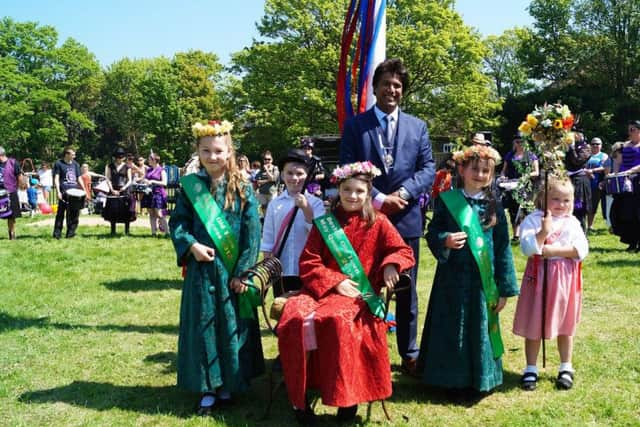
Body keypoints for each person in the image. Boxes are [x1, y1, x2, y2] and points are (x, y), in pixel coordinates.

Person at [277, 161, 415, 424]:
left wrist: (390, 265)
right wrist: (335, 281)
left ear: (368, 193)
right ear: (338, 191)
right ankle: (300, 401)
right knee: (294, 318)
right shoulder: (325, 224)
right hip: (320, 290)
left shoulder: (380, 223)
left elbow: (402, 250)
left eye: (359, 191)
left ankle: (347, 400)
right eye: (347, 190)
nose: (353, 196)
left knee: (339, 322)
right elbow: (309, 262)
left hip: (359, 296)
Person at [340, 58, 435, 375]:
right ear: (375, 88)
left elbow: (428, 169)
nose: (391, 90)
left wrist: (404, 195)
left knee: (405, 288)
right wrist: (379, 198)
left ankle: (410, 353)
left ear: (402, 91)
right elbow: (349, 167)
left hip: (406, 219)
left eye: (397, 85)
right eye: (386, 84)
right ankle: (363, 347)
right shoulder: (355, 126)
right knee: (365, 284)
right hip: (367, 219)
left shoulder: (417, 126)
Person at [169, 119, 264, 415]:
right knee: (203, 327)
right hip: (201, 272)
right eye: (206, 151)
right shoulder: (191, 188)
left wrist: (243, 273)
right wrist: (191, 246)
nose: (213, 157)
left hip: (232, 274)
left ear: (229, 151)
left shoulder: (243, 187)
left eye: (218, 151)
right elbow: (178, 224)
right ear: (198, 152)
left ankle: (229, 383)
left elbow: (252, 236)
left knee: (231, 327)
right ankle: (207, 387)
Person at [418, 145, 518, 394]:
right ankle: (446, 378)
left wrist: (504, 288)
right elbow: (432, 232)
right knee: (450, 324)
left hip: (483, 282)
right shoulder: (447, 200)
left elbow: (503, 247)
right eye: (475, 169)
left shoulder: (495, 206)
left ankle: (480, 378)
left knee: (480, 325)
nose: (480, 175)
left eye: (486, 171)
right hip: (451, 280)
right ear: (461, 169)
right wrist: (445, 239)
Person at [513, 177, 588, 391]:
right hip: (539, 280)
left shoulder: (572, 222)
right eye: (555, 199)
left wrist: (555, 251)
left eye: (566, 200)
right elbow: (528, 248)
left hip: (564, 280)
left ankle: (566, 366)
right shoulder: (535, 220)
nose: (561, 205)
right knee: (535, 323)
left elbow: (581, 249)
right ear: (543, 199)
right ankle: (530, 368)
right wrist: (543, 232)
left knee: (565, 324)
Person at [260, 148, 324, 296]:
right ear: (282, 175)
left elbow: (319, 234)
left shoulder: (316, 203)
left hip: (307, 269)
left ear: (307, 176)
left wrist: (306, 209)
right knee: (282, 309)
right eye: (289, 173)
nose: (295, 178)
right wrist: (268, 263)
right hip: (281, 269)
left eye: (300, 174)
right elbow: (269, 236)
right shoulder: (275, 204)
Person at [499, 136, 540, 242]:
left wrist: (526, 175)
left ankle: (526, 233)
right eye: (518, 142)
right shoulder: (510, 155)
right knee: (513, 209)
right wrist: (503, 176)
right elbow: (504, 170)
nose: (520, 144)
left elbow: (536, 172)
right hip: (512, 185)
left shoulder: (531, 155)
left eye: (522, 142)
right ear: (515, 143)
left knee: (525, 210)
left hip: (526, 186)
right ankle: (516, 235)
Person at [610, 120, 640, 251]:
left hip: (637, 181)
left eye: (632, 130)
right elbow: (617, 161)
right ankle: (631, 242)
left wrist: (631, 171)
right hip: (624, 183)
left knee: (638, 213)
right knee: (626, 213)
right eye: (629, 130)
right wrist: (615, 174)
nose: (629, 132)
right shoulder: (624, 146)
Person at [103, 147, 136, 235]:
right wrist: (112, 189)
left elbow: (129, 180)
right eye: (117, 157)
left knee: (126, 210)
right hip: (113, 189)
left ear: (123, 157)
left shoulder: (127, 167)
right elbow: (108, 178)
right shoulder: (109, 166)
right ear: (115, 157)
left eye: (121, 157)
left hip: (124, 190)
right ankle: (113, 230)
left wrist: (124, 187)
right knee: (113, 210)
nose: (119, 159)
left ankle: (127, 230)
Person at [52, 147, 83, 239]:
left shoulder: (76, 164)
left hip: (74, 193)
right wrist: (58, 192)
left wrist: (84, 189)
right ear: (67, 154)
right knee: (60, 214)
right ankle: (57, 234)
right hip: (64, 192)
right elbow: (56, 178)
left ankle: (70, 234)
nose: (74, 156)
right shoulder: (59, 164)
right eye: (73, 154)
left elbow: (79, 178)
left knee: (74, 214)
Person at [565, 132, 592, 232]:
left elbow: (577, 161)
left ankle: (582, 235)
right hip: (567, 179)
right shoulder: (565, 146)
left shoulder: (586, 147)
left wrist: (571, 148)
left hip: (579, 181)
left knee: (578, 210)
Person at [140, 153, 169, 236]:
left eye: (149, 159)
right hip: (148, 193)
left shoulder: (161, 170)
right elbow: (145, 179)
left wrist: (153, 181)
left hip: (158, 193)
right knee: (151, 213)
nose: (148, 161)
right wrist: (144, 181)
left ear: (154, 160)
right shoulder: (148, 170)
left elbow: (165, 183)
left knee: (159, 213)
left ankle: (167, 233)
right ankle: (153, 233)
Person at [585, 137, 608, 231]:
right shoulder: (586, 155)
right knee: (584, 203)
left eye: (597, 144)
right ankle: (582, 224)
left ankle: (590, 225)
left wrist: (592, 171)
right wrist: (587, 171)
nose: (595, 146)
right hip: (585, 182)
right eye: (593, 144)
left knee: (593, 204)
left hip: (597, 182)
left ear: (601, 146)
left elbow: (605, 167)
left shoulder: (603, 156)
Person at [0, 147, 22, 240]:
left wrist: (15, 188)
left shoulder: (13, 163)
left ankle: (12, 234)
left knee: (11, 216)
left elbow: (19, 177)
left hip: (10, 192)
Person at [603, 142, 624, 229]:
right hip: (613, 186)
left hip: (624, 185)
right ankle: (611, 224)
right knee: (611, 205)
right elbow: (607, 175)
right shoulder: (609, 160)